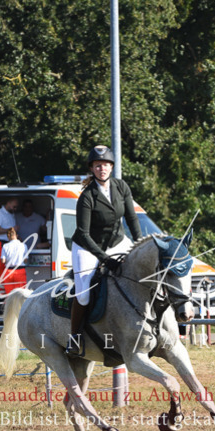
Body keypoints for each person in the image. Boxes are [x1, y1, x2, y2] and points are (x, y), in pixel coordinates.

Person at [68, 144, 142, 356]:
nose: (102, 168)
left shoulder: (121, 187)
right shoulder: (87, 196)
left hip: (117, 241)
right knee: (83, 294)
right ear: (92, 168)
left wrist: (140, 245)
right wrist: (104, 259)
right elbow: (83, 233)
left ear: (111, 167)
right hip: (88, 247)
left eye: (106, 165)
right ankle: (75, 337)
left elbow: (131, 218)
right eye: (98, 165)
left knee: (142, 268)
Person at [0, 197, 19, 276]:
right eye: (14, 206)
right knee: (3, 267)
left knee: (10, 267)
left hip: (11, 243)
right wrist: (11, 229)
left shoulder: (11, 214)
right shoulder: (0, 213)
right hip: (2, 243)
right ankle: (1, 287)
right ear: (8, 203)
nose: (15, 209)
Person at [0, 227, 28, 295]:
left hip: (8, 272)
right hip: (20, 271)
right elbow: (26, 260)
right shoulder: (23, 246)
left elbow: (3, 261)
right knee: (20, 295)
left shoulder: (5, 246)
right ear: (16, 235)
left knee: (9, 296)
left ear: (8, 236)